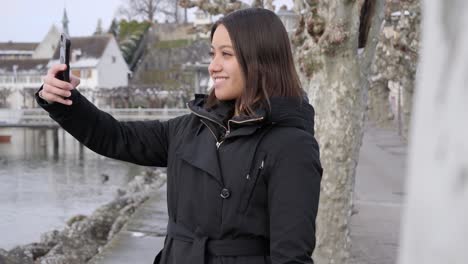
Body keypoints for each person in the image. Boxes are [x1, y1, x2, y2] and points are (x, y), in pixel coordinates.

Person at [36, 7, 322, 264]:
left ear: (261, 60)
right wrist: (63, 101)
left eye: (227, 54)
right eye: (212, 53)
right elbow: (115, 137)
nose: (213, 66)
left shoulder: (292, 146)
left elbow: (292, 257)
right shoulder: (190, 128)